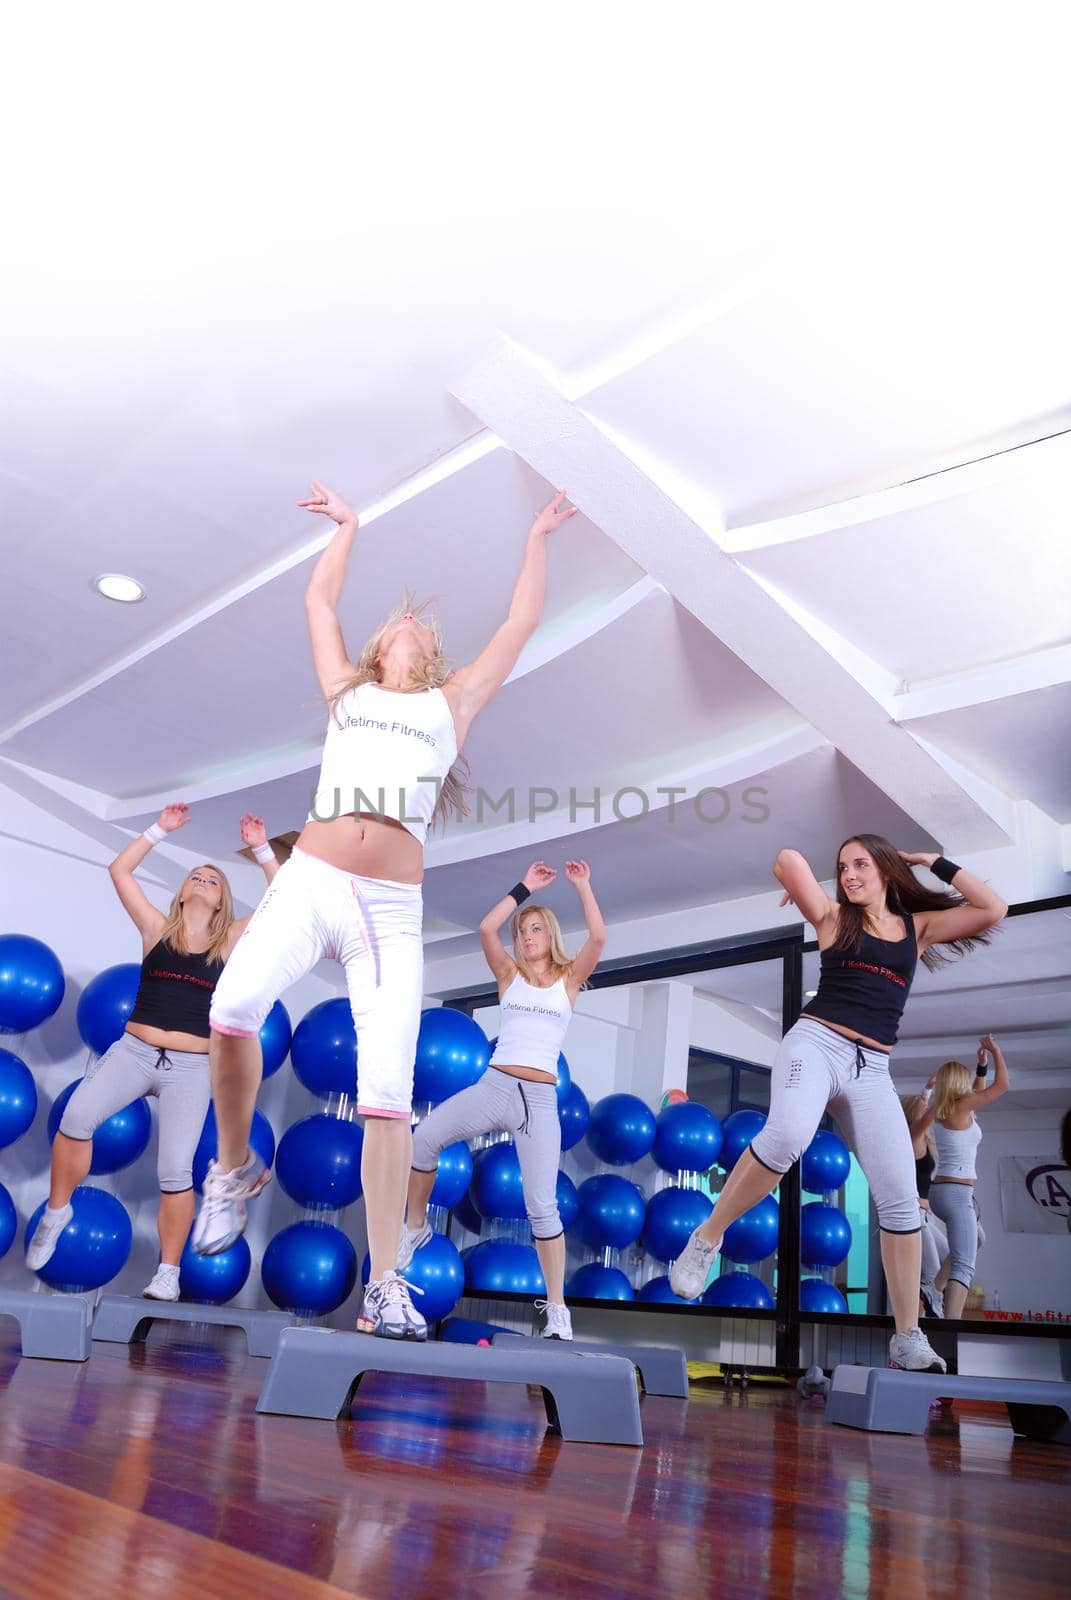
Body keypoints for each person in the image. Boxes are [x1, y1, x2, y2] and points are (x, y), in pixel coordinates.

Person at [192, 480, 579, 1342]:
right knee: (229, 1009)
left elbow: (518, 623)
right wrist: (348, 526)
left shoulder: (452, 704)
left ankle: (384, 1284)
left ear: (433, 656)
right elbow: (317, 597)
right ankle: (232, 1166)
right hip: (311, 882)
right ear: (378, 647)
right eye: (399, 621)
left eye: (427, 628)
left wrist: (538, 538)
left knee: (386, 1099)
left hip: (390, 910)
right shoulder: (346, 691)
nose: (414, 622)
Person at [670, 835, 1007, 1372]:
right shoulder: (832, 919)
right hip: (816, 1044)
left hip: (872, 1068)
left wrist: (930, 862)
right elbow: (785, 858)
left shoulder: (917, 930)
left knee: (901, 1201)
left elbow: (993, 908)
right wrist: (803, 886)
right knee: (786, 1136)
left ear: (888, 870)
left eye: (861, 864)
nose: (849, 874)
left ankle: (906, 1336)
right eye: (842, 866)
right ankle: (706, 1238)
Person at [26, 805, 278, 1299]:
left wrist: (263, 847)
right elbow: (119, 870)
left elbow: (286, 901)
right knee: (75, 1118)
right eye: (196, 876)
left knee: (174, 1172)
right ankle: (58, 1211)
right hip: (135, 1052)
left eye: (213, 879)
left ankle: (168, 1273)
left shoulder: (227, 942)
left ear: (222, 898)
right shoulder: (154, 929)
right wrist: (159, 829)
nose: (204, 879)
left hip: (191, 1066)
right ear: (184, 891)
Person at [399, 858, 606, 1340]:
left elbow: (598, 937)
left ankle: (557, 1310)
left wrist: (583, 885)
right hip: (494, 1086)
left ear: (550, 934)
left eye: (535, 928)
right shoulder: (508, 974)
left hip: (538, 1100)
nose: (527, 935)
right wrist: (523, 888)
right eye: (523, 930)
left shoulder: (568, 979)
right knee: (424, 1138)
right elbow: (486, 926)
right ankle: (414, 1226)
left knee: (541, 1207)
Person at [922, 1035, 1008, 1320]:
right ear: (960, 1082)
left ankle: (934, 1288)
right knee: (964, 1264)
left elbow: (980, 1093)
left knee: (976, 1239)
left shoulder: (948, 1108)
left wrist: (982, 1067)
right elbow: (1003, 1086)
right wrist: (995, 1051)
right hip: (957, 1195)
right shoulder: (961, 1106)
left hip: (943, 1192)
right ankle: (953, 1325)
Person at [899, 1080, 947, 1319]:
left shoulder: (923, 1142)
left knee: (953, 1253)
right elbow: (925, 1116)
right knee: (931, 1272)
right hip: (915, 1214)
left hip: (925, 1215)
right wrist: (933, 1095)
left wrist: (928, 1092)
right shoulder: (912, 1138)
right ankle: (923, 1320)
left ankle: (928, 1302)